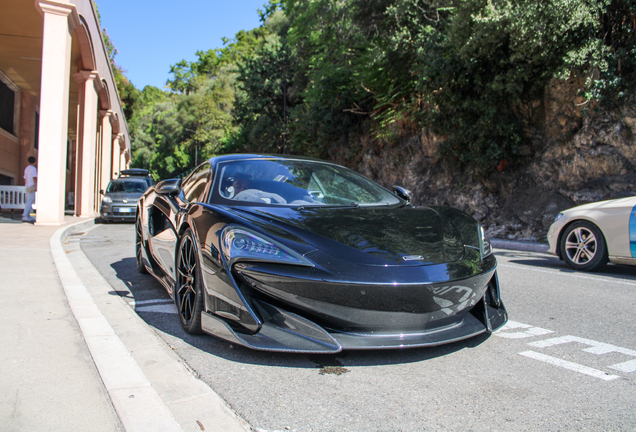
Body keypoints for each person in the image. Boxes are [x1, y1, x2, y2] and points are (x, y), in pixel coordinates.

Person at [22, 156, 37, 223]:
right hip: (32, 186)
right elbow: (34, 177)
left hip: (27, 186)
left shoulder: (26, 168)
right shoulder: (33, 169)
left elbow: (25, 178)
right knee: (30, 201)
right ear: (35, 162)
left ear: (28, 162)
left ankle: (27, 215)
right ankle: (25, 216)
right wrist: (36, 186)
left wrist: (26, 185)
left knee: (28, 201)